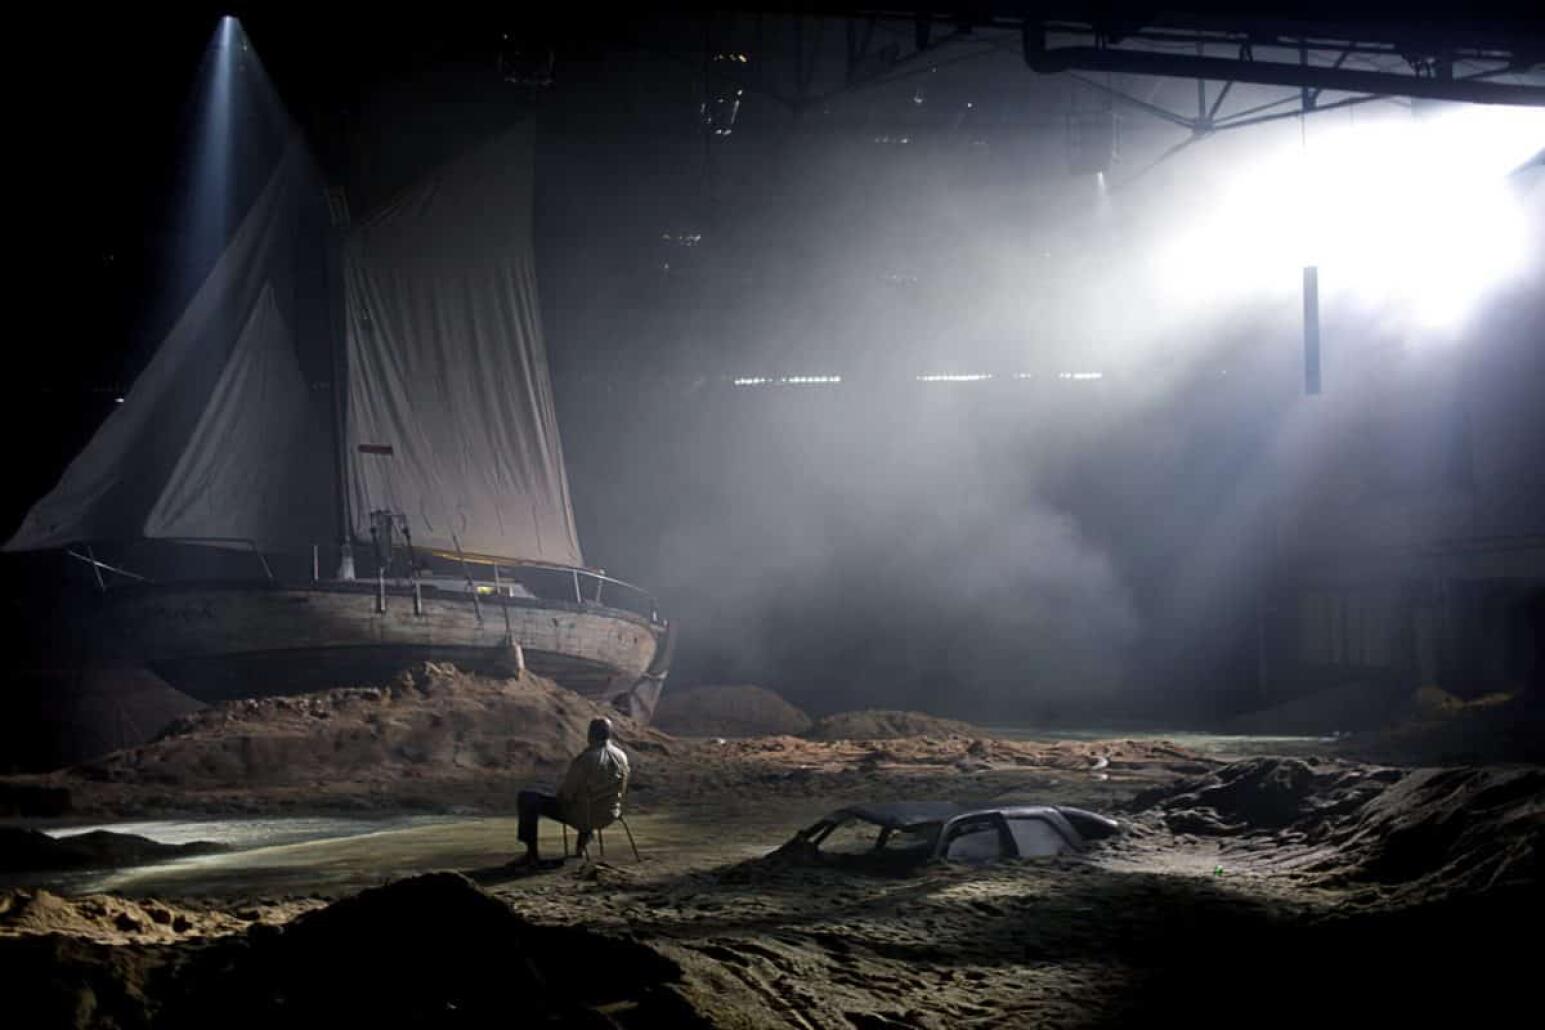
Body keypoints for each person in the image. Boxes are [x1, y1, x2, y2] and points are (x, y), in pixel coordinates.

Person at [511, 717, 630, 866]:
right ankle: (582, 845)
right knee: (588, 798)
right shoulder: (622, 757)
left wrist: (559, 795)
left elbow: (567, 795)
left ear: (590, 735)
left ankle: (531, 855)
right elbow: (623, 788)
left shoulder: (586, 759)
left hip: (584, 817)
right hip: (609, 815)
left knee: (527, 798)